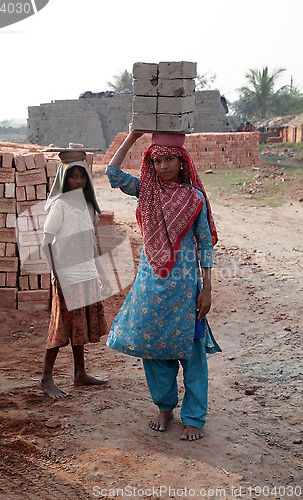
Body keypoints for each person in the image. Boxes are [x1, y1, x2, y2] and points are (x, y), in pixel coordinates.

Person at [105, 130, 221, 440]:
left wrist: (207, 287)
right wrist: (133, 136)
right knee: (153, 350)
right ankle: (165, 406)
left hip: (185, 288)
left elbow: (205, 243)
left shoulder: (194, 199)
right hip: (151, 286)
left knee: (192, 353)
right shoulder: (147, 192)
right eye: (157, 160)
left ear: (182, 162)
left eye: (169, 159)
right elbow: (112, 173)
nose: (163, 166)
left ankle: (194, 417)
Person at [39, 153, 111, 399]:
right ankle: (46, 378)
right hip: (66, 276)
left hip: (86, 274)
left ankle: (80, 373)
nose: (78, 181)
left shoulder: (89, 206)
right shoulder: (60, 206)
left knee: (79, 325)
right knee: (61, 327)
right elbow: (46, 243)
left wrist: (101, 273)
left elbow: (91, 243)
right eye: (73, 176)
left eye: (81, 176)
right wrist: (57, 274)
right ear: (64, 180)